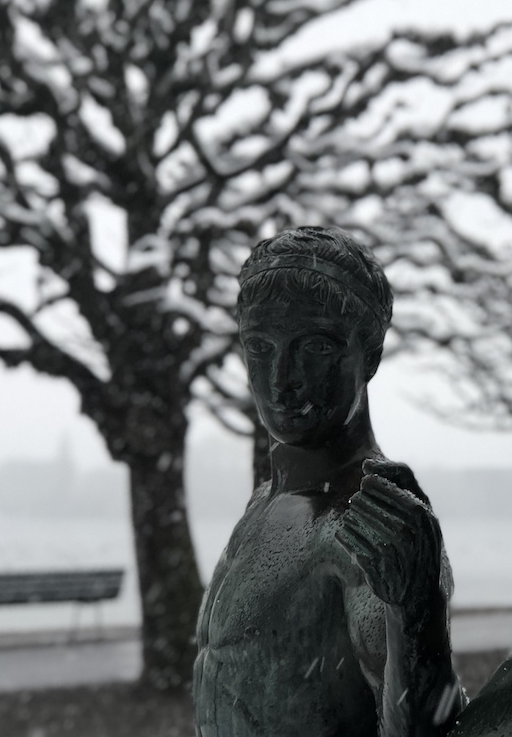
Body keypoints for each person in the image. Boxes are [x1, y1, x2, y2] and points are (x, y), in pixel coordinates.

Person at [193, 227, 463, 737]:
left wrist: (417, 612)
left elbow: (424, 730)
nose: (281, 378)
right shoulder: (265, 503)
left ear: (371, 356)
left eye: (315, 347)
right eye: (260, 347)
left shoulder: (369, 526)